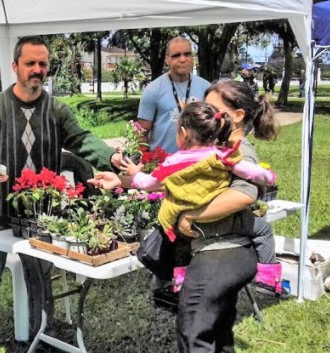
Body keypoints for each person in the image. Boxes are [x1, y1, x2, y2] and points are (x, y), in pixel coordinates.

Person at [0, 35, 122, 353]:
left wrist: (112, 159)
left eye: (42, 64)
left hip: (42, 216)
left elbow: (82, 139)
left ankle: (39, 334)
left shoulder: (57, 110)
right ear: (14, 66)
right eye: (30, 63)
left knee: (40, 276)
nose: (37, 70)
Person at [89, 101, 277, 284]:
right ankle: (268, 280)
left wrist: (135, 174)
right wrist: (268, 177)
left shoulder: (173, 163)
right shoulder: (221, 156)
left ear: (184, 133)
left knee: (180, 244)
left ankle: (180, 280)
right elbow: (250, 172)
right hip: (221, 217)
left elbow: (149, 184)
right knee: (263, 229)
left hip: (183, 221)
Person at [174, 79, 280, 353]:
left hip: (220, 255)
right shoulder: (220, 148)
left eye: (213, 109)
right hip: (224, 255)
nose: (206, 114)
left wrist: (191, 216)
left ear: (238, 116)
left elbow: (245, 194)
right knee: (219, 338)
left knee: (194, 337)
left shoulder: (239, 150)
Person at [136, 36, 211, 154]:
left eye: (187, 54)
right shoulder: (153, 90)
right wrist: (146, 164)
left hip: (198, 163)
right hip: (162, 165)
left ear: (192, 57)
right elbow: (142, 135)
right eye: (176, 55)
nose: (182, 59)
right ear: (167, 59)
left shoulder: (206, 88)